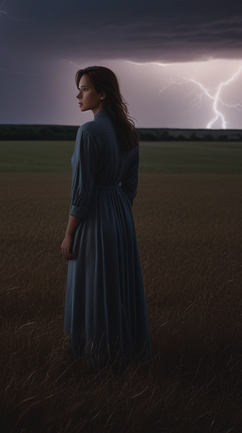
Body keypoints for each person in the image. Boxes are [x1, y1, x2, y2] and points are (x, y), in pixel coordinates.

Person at [61, 66, 152, 370]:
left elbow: (82, 191)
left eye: (85, 88)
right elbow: (131, 188)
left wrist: (69, 233)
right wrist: (117, 213)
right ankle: (125, 355)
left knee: (93, 286)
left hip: (96, 218)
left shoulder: (88, 131)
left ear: (102, 93)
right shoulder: (128, 132)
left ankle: (94, 358)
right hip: (121, 218)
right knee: (118, 287)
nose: (79, 95)